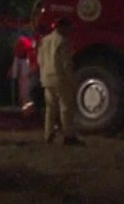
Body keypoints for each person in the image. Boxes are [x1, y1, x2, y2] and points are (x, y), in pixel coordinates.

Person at [37, 17, 83, 146]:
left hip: (47, 78)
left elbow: (40, 60)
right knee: (66, 107)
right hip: (60, 78)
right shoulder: (63, 41)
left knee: (50, 108)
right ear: (63, 27)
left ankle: (48, 134)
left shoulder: (44, 41)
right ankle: (69, 135)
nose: (70, 31)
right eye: (69, 28)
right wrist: (72, 81)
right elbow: (66, 64)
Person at [8, 32, 36, 107]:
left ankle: (27, 109)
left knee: (25, 91)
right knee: (24, 91)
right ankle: (26, 108)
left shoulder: (25, 45)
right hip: (24, 69)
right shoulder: (24, 46)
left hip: (26, 70)